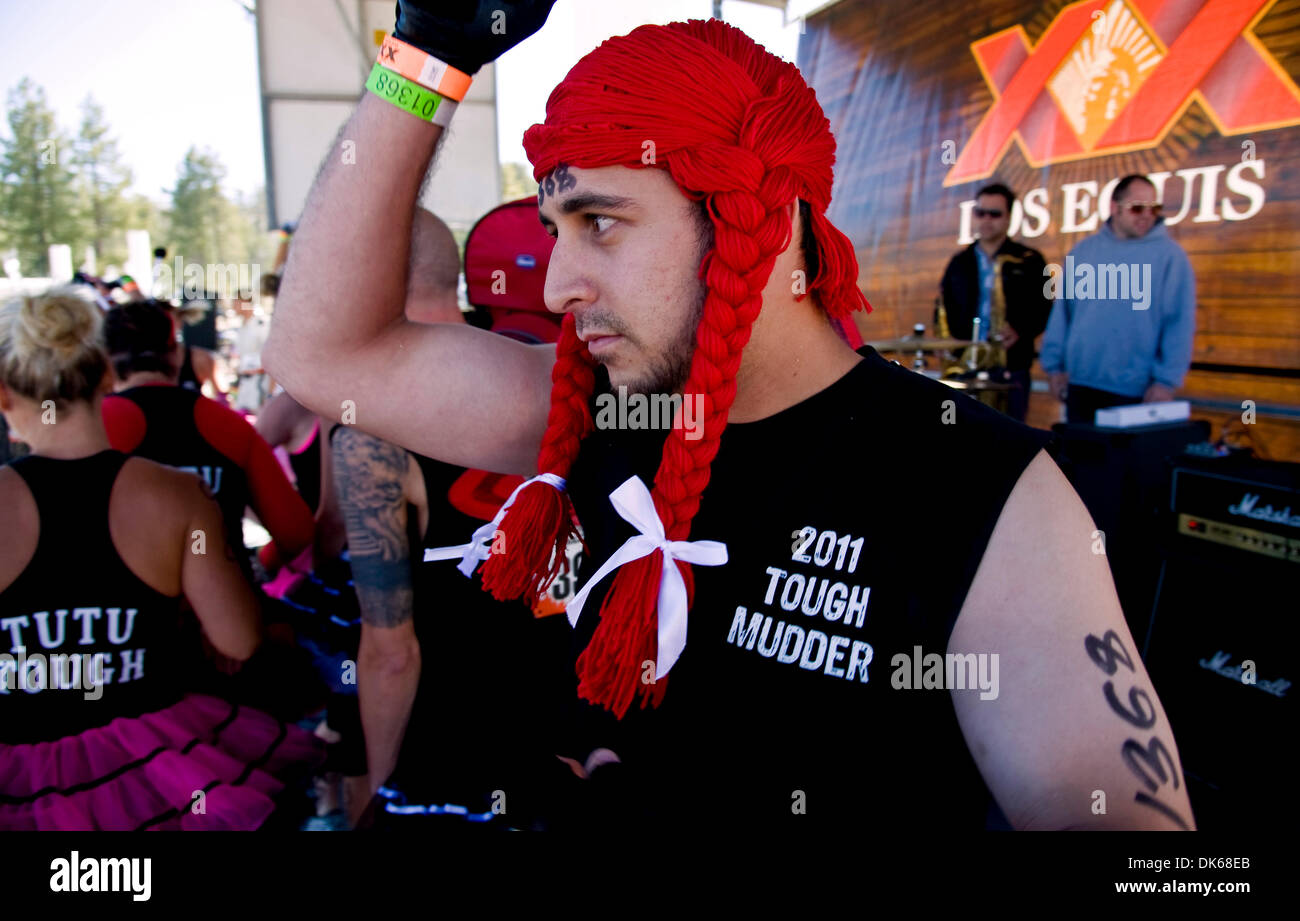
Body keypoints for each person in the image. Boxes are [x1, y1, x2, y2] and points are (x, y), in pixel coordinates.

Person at [265, 6, 1194, 830]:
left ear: (765, 221)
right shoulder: (601, 406)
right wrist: (428, 54)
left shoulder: (981, 489)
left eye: (603, 223)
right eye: (557, 229)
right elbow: (323, 357)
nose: (556, 284)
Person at [0, 287, 323, 830]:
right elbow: (239, 639)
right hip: (155, 764)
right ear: (105, 374)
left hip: (21, 770)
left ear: (5, 396)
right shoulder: (175, 496)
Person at [340, 207, 573, 830]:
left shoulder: (373, 424)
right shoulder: (565, 375)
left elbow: (391, 653)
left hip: (453, 762)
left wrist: (383, 796)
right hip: (584, 748)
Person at [101, 300, 314, 581]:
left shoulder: (93, 428)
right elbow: (295, 532)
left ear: (105, 361)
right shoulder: (223, 424)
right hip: (224, 601)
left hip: (128, 610)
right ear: (176, 354)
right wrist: (258, 566)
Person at [1041, 173, 1197, 424]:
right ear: (1114, 208)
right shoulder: (1083, 251)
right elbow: (1062, 315)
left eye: (1153, 208)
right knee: (1075, 463)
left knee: (1123, 464)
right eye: (1137, 208)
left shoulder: (1171, 257)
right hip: (1079, 385)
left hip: (1137, 395)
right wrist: (1054, 369)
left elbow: (1179, 324)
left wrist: (1166, 382)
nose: (1147, 215)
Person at [939, 182, 1051, 421]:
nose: (986, 220)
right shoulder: (959, 262)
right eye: (980, 213)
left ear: (1009, 218)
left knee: (1010, 441)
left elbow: (1045, 307)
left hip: (1011, 365)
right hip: (967, 363)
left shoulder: (1030, 260)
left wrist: (1021, 329)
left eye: (995, 214)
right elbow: (943, 307)